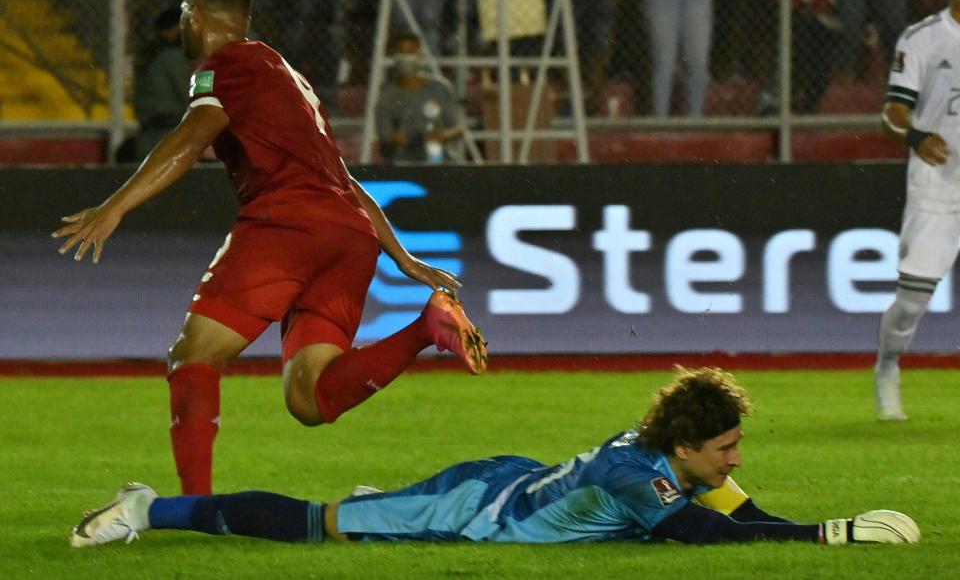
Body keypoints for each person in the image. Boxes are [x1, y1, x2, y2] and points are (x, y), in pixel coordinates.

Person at [52, 0, 488, 497]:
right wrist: (399, 256)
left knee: (193, 357)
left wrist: (115, 206)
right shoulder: (287, 74)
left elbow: (192, 138)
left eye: (184, 17)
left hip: (289, 223)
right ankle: (428, 328)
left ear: (196, 13)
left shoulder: (223, 65)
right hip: (349, 234)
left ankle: (195, 507)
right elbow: (343, 178)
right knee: (310, 398)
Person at [69, 367, 920, 548]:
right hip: (473, 508)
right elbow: (701, 533)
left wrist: (813, 529)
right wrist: (829, 538)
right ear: (689, 444)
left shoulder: (677, 460)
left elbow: (739, 512)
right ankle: (150, 506)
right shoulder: (641, 476)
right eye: (727, 445)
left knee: (379, 510)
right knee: (316, 526)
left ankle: (386, 503)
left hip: (512, 477)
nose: (736, 456)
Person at [874, 0, 960, 421]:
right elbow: (892, 112)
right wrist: (916, 135)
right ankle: (887, 366)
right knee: (911, 304)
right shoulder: (923, 38)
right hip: (938, 185)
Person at [375, 33, 463, 164]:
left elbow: (458, 129)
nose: (406, 58)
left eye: (410, 52)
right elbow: (384, 145)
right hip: (405, 165)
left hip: (443, 163)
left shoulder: (440, 88)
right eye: (401, 52)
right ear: (393, 56)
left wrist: (442, 136)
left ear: (419, 54)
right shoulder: (386, 98)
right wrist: (395, 141)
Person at [129, 6, 195, 160]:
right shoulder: (171, 57)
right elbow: (189, 96)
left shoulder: (147, 55)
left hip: (147, 137)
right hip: (169, 135)